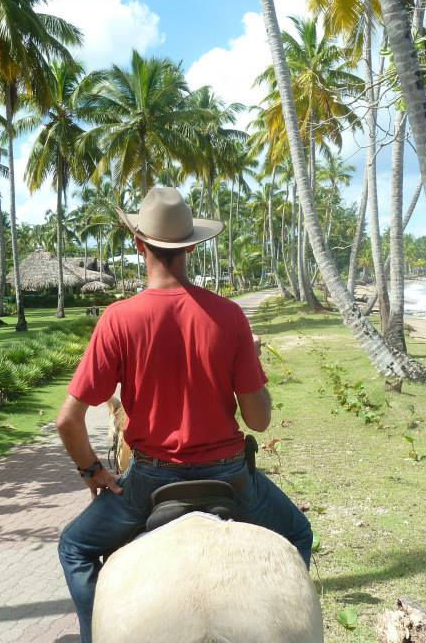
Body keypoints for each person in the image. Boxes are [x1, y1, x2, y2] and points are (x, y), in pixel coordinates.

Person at [56, 188, 313, 643]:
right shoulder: (229, 316)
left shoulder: (118, 320)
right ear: (191, 246)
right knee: (297, 532)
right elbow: (259, 421)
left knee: (74, 546)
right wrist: (254, 371)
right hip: (231, 476)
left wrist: (93, 470)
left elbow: (67, 420)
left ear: (139, 244)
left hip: (151, 480)